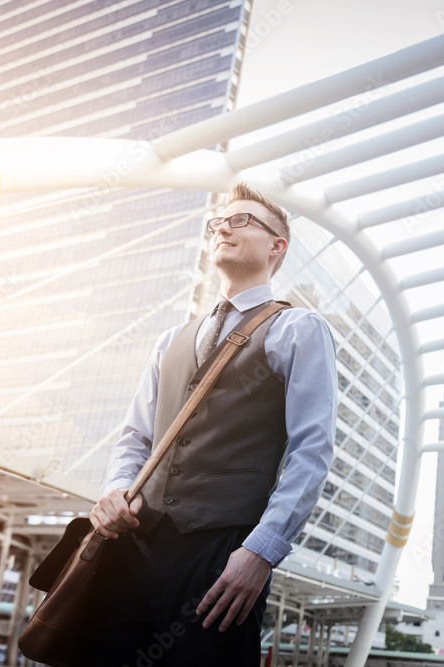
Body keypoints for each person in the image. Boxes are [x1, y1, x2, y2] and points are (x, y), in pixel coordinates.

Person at [82, 182, 337, 665]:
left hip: (222, 553)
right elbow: (137, 435)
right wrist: (115, 490)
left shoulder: (298, 329)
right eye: (219, 221)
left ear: (276, 246)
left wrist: (261, 551)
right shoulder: (170, 339)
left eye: (242, 220)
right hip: (133, 546)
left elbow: (312, 451)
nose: (223, 227)